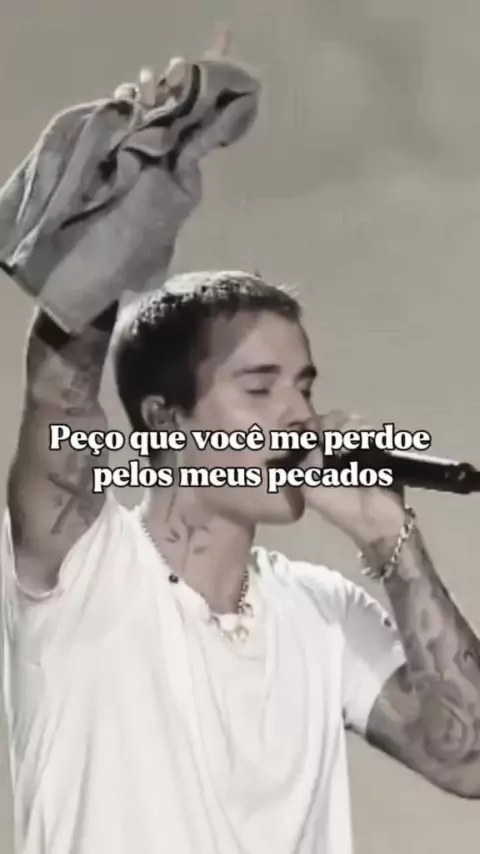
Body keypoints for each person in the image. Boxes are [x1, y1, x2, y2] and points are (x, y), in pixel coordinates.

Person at [2, 40, 480, 854]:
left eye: (304, 386)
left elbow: (469, 760)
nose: (299, 414)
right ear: (167, 421)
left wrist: (389, 538)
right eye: (259, 389)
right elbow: (60, 392)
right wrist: (128, 225)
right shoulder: (81, 566)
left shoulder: (321, 613)